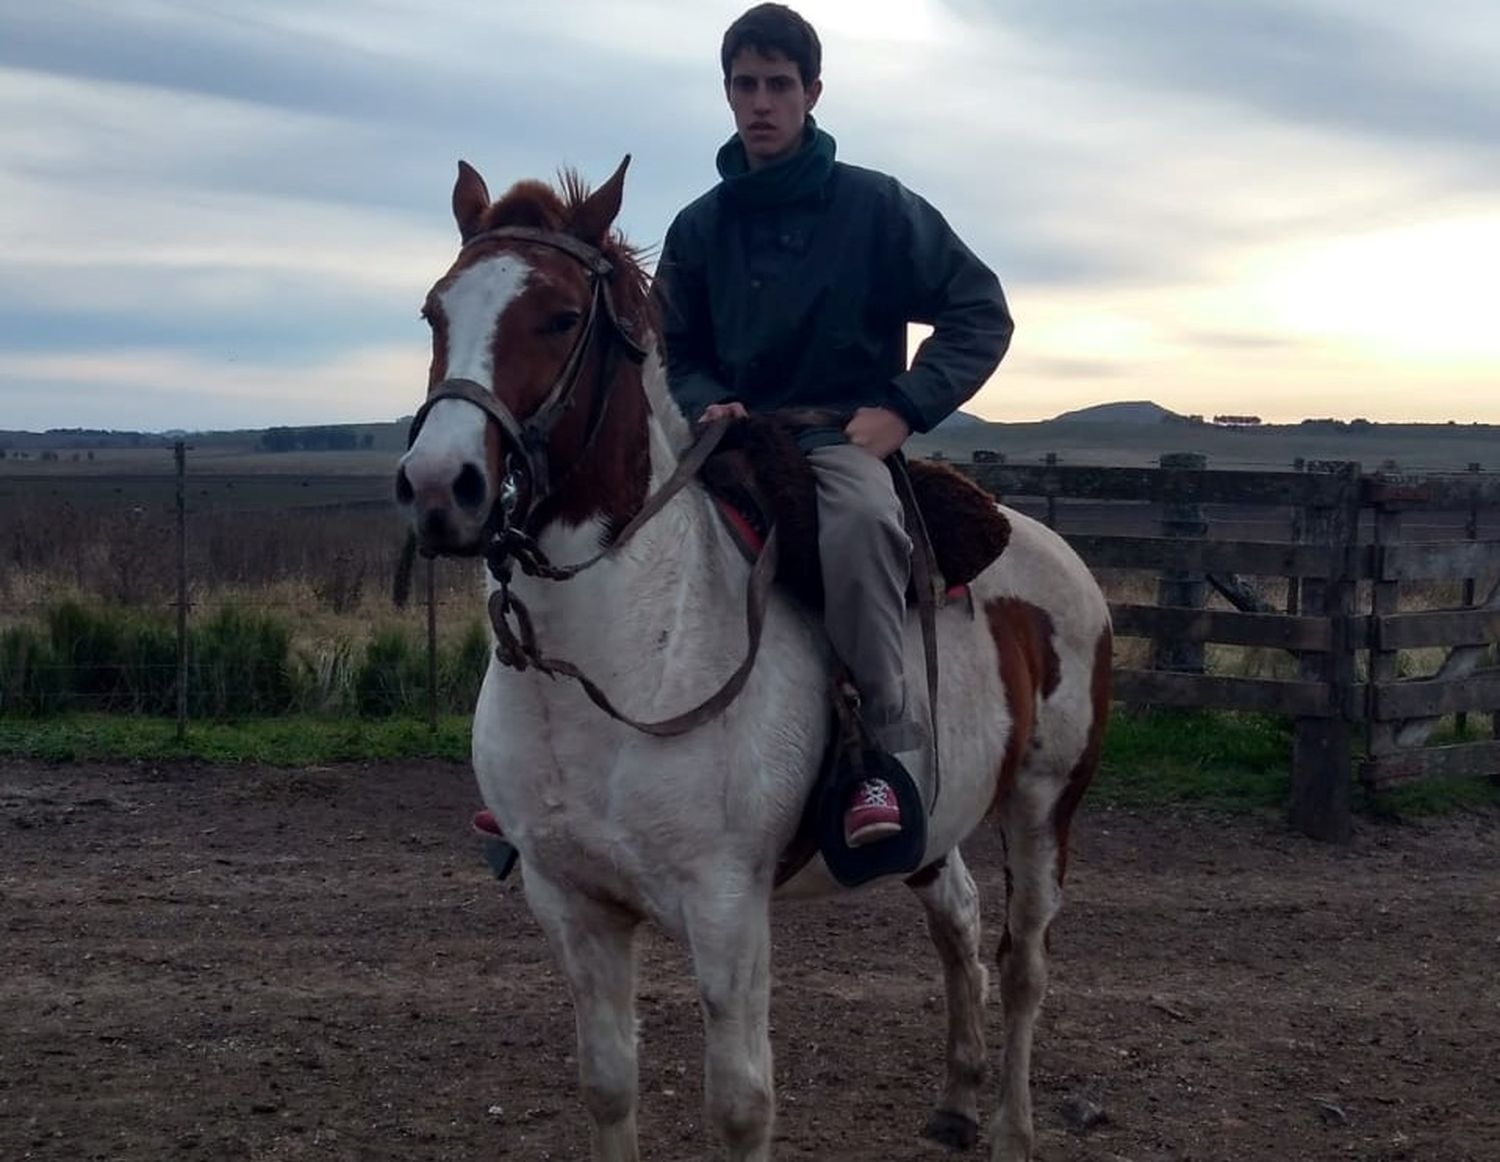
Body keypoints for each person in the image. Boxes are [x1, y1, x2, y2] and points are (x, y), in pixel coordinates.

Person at [653, 3, 1013, 847]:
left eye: (780, 85)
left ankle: (876, 757)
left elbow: (978, 311)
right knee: (610, 520)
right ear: (727, 94)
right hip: (725, 439)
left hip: (838, 438)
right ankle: (568, 757)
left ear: (813, 93)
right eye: (746, 85)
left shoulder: (877, 210)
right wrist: (705, 394)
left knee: (858, 525)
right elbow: (673, 345)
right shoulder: (699, 228)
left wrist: (902, 408)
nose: (762, 103)